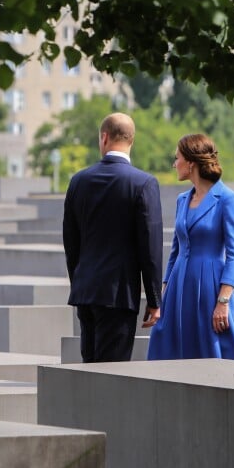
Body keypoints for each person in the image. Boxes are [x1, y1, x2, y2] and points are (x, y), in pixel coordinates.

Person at [63, 112, 164, 362]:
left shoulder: (78, 181)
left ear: (104, 138)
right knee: (112, 376)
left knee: (90, 368)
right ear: (132, 140)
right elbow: (150, 247)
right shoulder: (144, 183)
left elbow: (70, 241)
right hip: (120, 295)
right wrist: (154, 299)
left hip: (85, 292)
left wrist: (78, 281)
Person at [147, 133, 234, 361]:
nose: (174, 164)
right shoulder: (182, 199)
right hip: (178, 285)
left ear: (190, 163)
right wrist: (162, 296)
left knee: (210, 348)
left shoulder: (228, 200)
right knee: (168, 348)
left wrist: (223, 301)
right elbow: (175, 252)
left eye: (177, 158)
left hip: (209, 286)